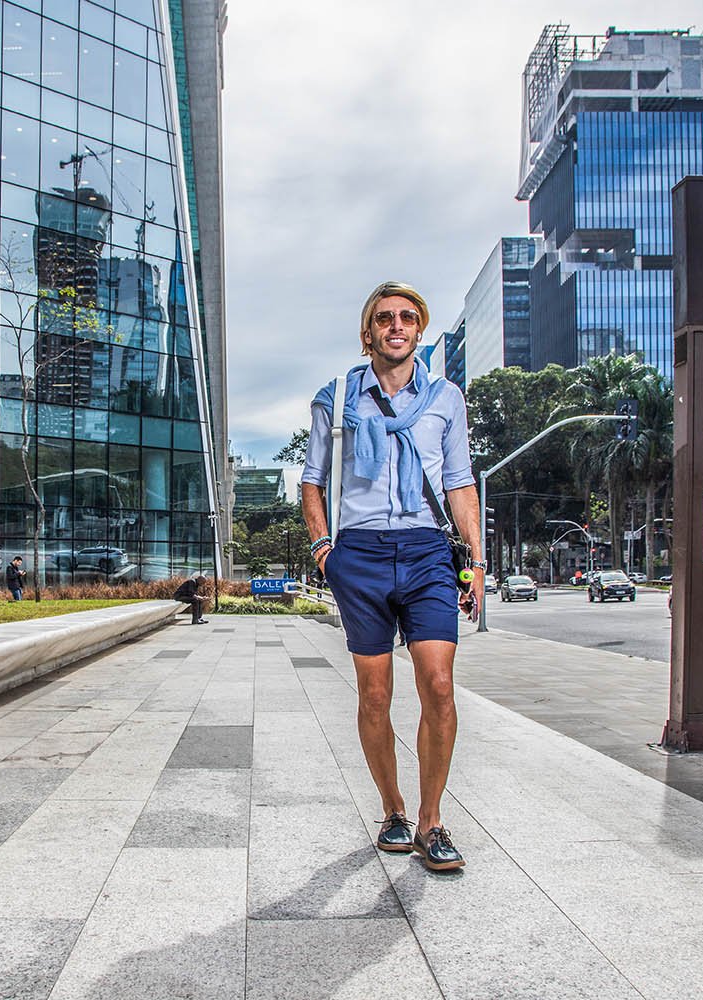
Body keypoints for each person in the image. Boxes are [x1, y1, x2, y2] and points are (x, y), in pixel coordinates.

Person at [300, 280, 481, 872]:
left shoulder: (446, 397)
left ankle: (432, 821)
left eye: (407, 317)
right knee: (375, 692)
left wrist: (476, 560)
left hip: (428, 550)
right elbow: (313, 479)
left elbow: (458, 481)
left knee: (439, 685)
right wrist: (326, 549)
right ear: (367, 333)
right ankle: (394, 810)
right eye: (384, 318)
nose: (396, 326)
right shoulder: (336, 396)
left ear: (419, 330)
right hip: (362, 554)